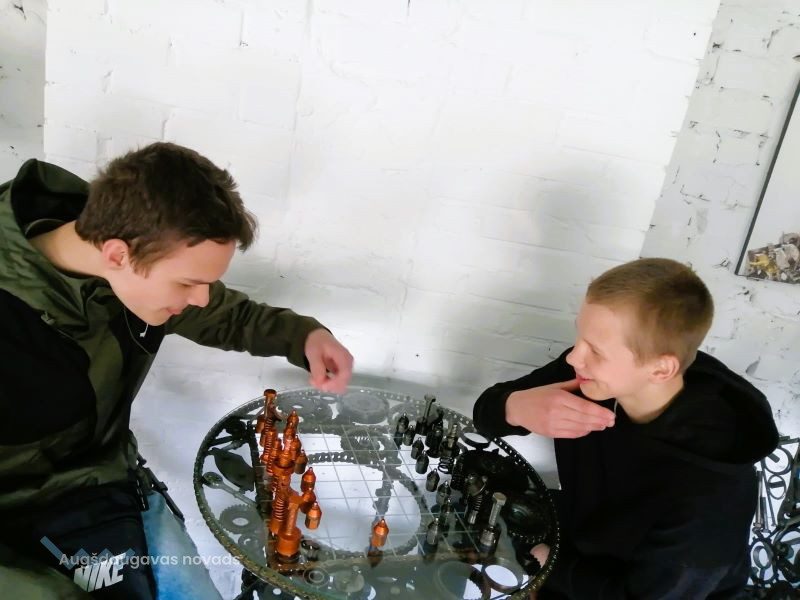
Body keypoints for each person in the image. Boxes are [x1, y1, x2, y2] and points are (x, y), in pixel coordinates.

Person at [0, 142, 354, 599]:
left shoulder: (124, 246)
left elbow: (225, 314)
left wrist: (304, 337)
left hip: (103, 485)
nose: (201, 299)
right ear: (117, 255)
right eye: (188, 283)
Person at [473, 258, 778, 599]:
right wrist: (514, 407)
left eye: (595, 350)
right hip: (579, 548)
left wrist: (551, 562)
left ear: (661, 370)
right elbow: (485, 412)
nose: (574, 357)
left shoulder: (713, 494)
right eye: (579, 336)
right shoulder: (590, 376)